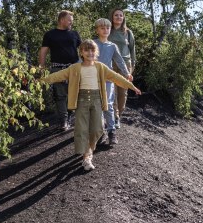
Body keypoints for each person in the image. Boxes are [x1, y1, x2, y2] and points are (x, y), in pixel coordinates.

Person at [41, 40, 141, 171]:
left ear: (96, 52)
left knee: (97, 129)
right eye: (86, 50)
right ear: (81, 52)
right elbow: (57, 76)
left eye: (93, 50)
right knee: (81, 129)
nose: (90, 53)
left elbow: (117, 77)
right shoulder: (74, 68)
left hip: (97, 100)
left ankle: (89, 149)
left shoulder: (101, 67)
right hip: (81, 100)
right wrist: (40, 80)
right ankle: (87, 157)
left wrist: (132, 87)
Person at [38, 10, 81, 131]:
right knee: (60, 96)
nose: (71, 22)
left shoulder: (74, 34)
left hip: (74, 68)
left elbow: (83, 50)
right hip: (57, 68)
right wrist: (41, 68)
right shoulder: (50, 34)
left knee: (73, 94)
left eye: (72, 20)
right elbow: (43, 52)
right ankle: (63, 121)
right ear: (61, 20)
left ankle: (70, 116)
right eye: (69, 20)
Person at [93, 18, 132, 146]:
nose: (105, 30)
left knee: (108, 105)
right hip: (94, 80)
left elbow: (120, 61)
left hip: (108, 80)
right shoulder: (92, 44)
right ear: (97, 30)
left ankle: (111, 132)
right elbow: (82, 60)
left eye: (108, 28)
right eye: (102, 28)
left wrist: (126, 74)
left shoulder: (112, 46)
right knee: (97, 106)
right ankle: (100, 132)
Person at [109, 8, 136, 129]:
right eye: (116, 15)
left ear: (123, 17)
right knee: (111, 91)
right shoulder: (107, 30)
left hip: (125, 64)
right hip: (110, 64)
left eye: (121, 15)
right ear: (112, 17)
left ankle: (119, 114)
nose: (118, 17)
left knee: (123, 92)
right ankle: (115, 117)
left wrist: (133, 66)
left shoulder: (128, 32)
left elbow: (132, 50)